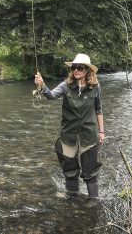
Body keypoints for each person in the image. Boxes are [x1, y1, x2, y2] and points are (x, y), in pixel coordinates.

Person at [34, 53, 105, 200]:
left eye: (80, 67)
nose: (76, 70)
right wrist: (42, 85)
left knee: (90, 172)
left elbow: (99, 110)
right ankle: (72, 198)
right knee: (70, 171)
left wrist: (102, 131)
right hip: (68, 135)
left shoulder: (95, 87)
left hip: (89, 135)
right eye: (74, 67)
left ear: (87, 70)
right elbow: (51, 95)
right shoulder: (65, 85)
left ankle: (93, 201)